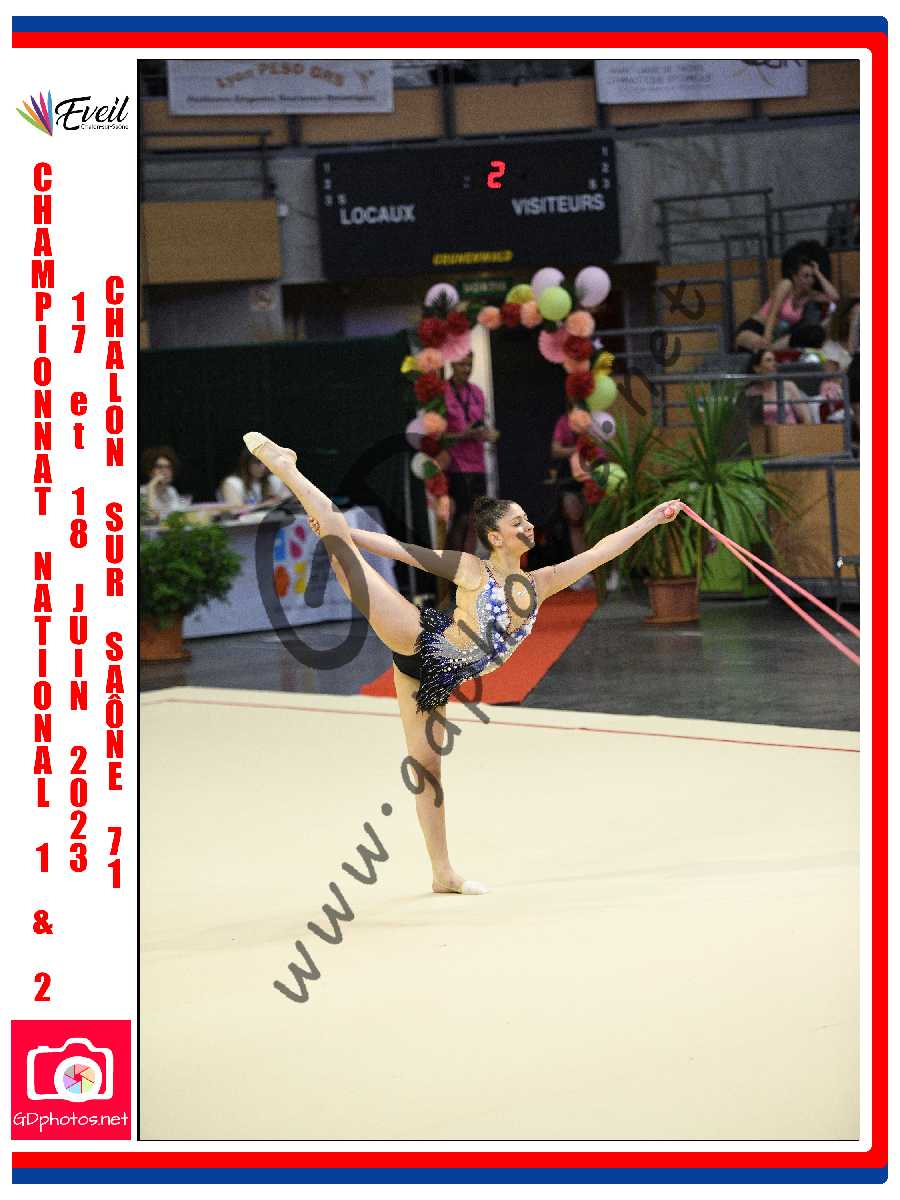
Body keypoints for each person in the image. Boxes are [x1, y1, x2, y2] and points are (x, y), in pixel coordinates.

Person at [243, 431, 684, 896]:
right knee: (342, 554)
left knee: (427, 768)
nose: (529, 525)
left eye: (528, 519)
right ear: (495, 537)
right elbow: (400, 549)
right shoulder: (472, 570)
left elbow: (600, 552)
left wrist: (653, 519)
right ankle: (287, 467)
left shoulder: (541, 583)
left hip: (431, 678)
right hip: (419, 640)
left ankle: (442, 874)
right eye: (518, 521)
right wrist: (345, 534)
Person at [441, 352, 500, 555]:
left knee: (475, 520)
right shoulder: (442, 392)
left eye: (469, 364)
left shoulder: (477, 392)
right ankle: (452, 566)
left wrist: (488, 434)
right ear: (452, 364)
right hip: (456, 466)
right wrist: (463, 435)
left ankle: (469, 565)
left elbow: (481, 424)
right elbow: (438, 437)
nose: (466, 369)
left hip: (478, 464)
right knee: (461, 518)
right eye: (462, 365)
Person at [734, 258, 840, 353]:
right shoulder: (786, 285)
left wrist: (818, 273)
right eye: (806, 276)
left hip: (776, 337)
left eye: (812, 277)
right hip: (757, 327)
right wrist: (766, 338)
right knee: (762, 348)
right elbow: (773, 313)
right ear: (795, 277)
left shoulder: (809, 296)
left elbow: (835, 297)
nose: (810, 280)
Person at [549, 403, 598, 591]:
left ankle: (604, 571)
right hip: (569, 479)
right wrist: (577, 450)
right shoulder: (564, 422)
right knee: (575, 522)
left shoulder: (596, 422)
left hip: (593, 477)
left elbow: (602, 449)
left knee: (594, 524)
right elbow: (555, 449)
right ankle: (583, 574)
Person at [744, 349, 815, 426]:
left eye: (774, 360)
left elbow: (806, 418)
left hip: (789, 431)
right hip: (764, 432)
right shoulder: (750, 392)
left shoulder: (788, 386)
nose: (774, 364)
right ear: (757, 368)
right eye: (768, 360)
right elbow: (748, 422)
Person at [219, 445, 290, 509]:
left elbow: (288, 500)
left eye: (266, 462)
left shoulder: (274, 480)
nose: (263, 467)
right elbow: (235, 510)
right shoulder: (232, 483)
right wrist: (264, 505)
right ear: (246, 463)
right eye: (258, 462)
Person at [140, 446, 188, 522]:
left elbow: (179, 515)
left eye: (168, 467)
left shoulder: (171, 491)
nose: (165, 471)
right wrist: (151, 487)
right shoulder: (142, 492)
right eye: (159, 467)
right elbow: (149, 519)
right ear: (150, 471)